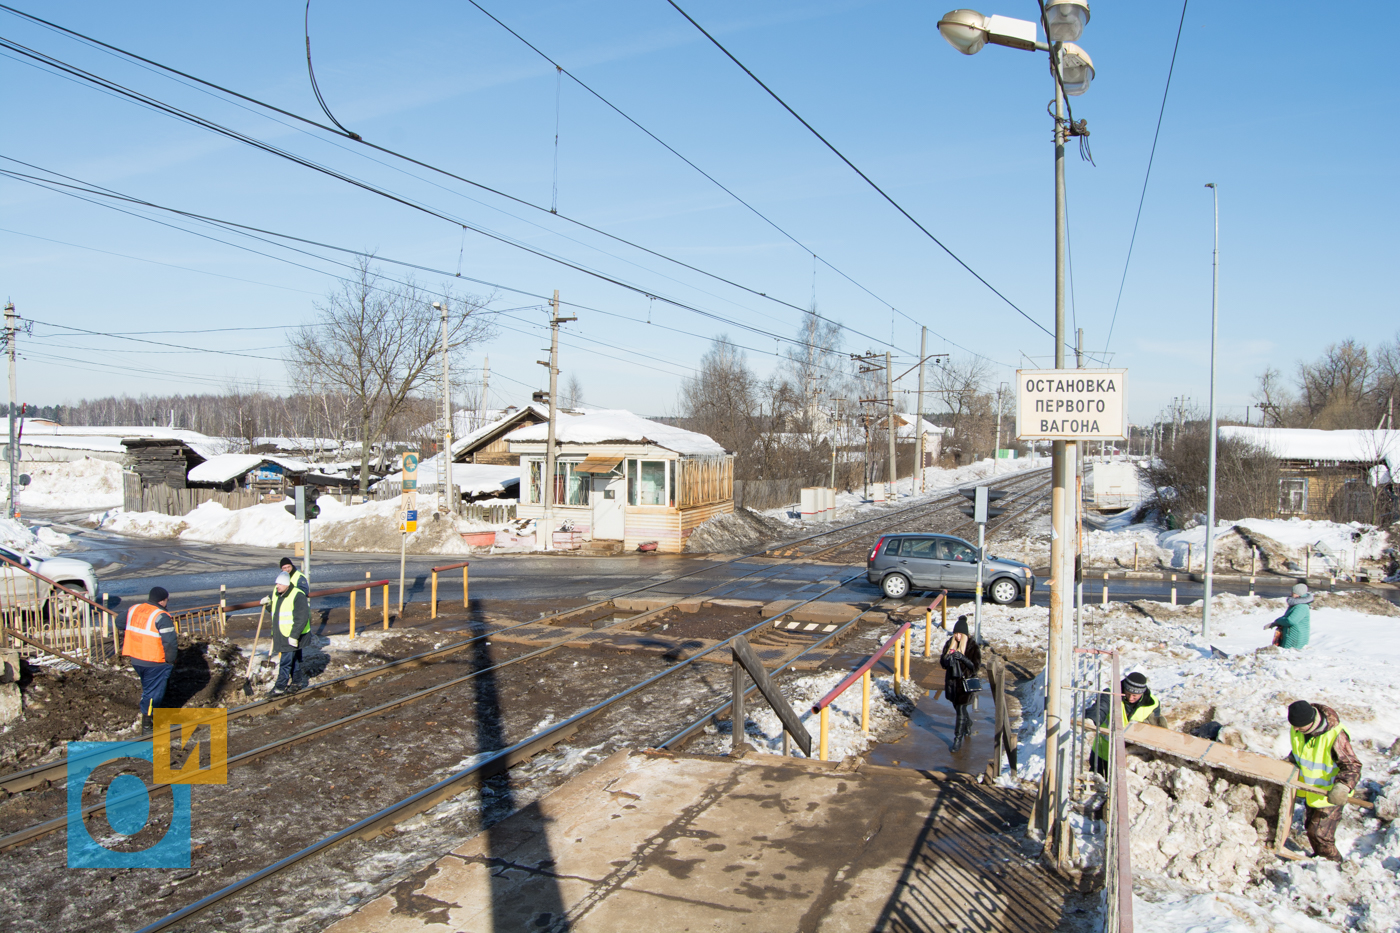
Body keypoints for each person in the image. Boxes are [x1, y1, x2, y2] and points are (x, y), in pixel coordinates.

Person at [1285, 699, 1361, 862]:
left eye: (1299, 726)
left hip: (1332, 794)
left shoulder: (1335, 735)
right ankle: (1320, 859)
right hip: (1312, 791)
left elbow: (1352, 765)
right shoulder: (1298, 729)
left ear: (1311, 722)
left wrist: (1343, 787)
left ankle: (1333, 864)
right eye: (1294, 726)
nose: (1296, 729)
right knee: (1311, 829)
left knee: (1320, 834)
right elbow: (1299, 754)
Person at [118, 586, 178, 731]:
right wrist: (171, 660)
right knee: (153, 694)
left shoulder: (135, 608)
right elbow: (170, 642)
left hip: (136, 657)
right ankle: (147, 725)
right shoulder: (161, 616)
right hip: (154, 660)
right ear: (163, 600)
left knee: (149, 689)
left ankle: (154, 716)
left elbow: (119, 623)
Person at [1088, 671, 1164, 776]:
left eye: (1134, 695)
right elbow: (1100, 708)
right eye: (1127, 693)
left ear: (1141, 693)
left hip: (1131, 757)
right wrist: (1091, 719)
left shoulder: (1152, 703)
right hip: (1104, 751)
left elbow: (1154, 730)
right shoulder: (1111, 693)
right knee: (1097, 782)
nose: (1130, 698)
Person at [940, 616, 981, 752]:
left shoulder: (972, 646)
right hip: (952, 683)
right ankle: (968, 723)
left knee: (961, 710)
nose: (957, 636)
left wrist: (963, 658)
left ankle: (957, 739)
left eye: (959, 634)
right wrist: (948, 658)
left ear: (965, 634)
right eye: (955, 633)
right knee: (958, 709)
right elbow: (942, 664)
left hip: (964, 684)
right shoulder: (950, 644)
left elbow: (975, 667)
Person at [268, 572, 311, 697]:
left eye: (280, 584)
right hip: (282, 633)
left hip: (291, 635)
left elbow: (302, 617)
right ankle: (297, 682)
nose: (277, 586)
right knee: (294, 659)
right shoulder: (278, 594)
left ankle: (280, 687)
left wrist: (294, 636)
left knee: (285, 662)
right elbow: (276, 611)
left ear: (287, 584)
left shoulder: (297, 595)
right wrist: (268, 605)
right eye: (276, 583)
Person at [1266, 583, 1313, 648]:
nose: (1290, 594)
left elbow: (1291, 620)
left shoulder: (1301, 607)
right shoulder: (1296, 605)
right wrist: (1275, 623)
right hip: (1290, 635)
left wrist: (1278, 621)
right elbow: (1287, 617)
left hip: (1295, 638)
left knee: (1291, 655)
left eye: (1293, 592)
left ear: (1298, 594)